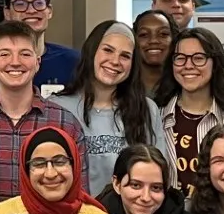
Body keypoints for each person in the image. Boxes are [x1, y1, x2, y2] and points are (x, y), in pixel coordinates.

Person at [0, 21, 84, 200]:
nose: (15, 62)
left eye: (25, 54)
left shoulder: (66, 124)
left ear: (37, 63)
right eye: (4, 54)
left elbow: (80, 195)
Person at [52, 20, 166, 191]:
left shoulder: (147, 109)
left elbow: (159, 174)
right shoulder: (57, 108)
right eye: (108, 50)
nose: (115, 61)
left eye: (125, 56)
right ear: (91, 51)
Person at [155, 26, 224, 197]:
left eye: (198, 58)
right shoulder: (155, 117)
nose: (188, 65)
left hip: (218, 212)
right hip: (165, 212)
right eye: (180, 58)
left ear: (215, 63)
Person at [133, 10, 177, 100]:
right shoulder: (120, 87)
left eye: (163, 34)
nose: (153, 41)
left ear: (174, 39)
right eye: (144, 35)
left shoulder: (185, 87)